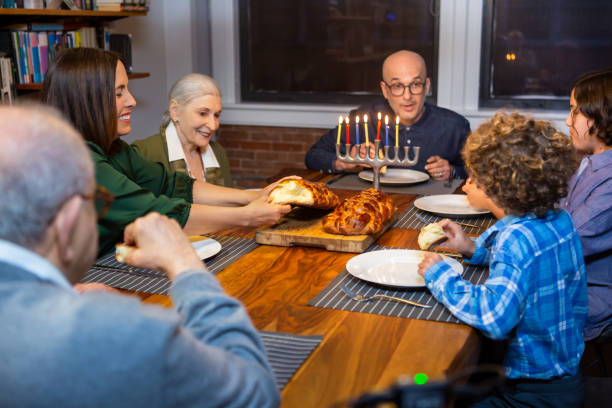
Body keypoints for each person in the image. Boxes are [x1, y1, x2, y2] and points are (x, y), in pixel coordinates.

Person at [0, 105, 280, 407]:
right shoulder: (121, 331)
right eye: (97, 201)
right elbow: (255, 394)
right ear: (68, 220)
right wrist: (186, 266)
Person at [41, 48, 293, 257]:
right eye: (119, 93)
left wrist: (251, 196)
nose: (132, 100)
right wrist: (246, 217)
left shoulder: (115, 148)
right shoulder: (78, 164)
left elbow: (172, 185)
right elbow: (156, 212)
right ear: (87, 99)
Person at [418, 112, 587, 407]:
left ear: (496, 186)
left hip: (531, 393)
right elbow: (526, 268)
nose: (470, 181)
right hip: (563, 378)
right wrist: (470, 248)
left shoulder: (515, 239)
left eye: (477, 175)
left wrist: (441, 276)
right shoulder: (559, 219)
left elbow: (495, 318)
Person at [305, 50, 471, 181]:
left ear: (427, 86)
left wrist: (452, 171)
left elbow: (477, 175)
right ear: (385, 90)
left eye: (415, 84)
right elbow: (313, 156)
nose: (407, 96)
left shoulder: (454, 126)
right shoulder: (364, 119)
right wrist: (343, 162)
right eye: (398, 85)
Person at [560, 69, 612, 342]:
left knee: (508, 307)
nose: (568, 120)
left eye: (576, 112)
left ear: (601, 116)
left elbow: (564, 242)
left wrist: (497, 204)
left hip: (592, 295)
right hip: (569, 278)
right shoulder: (589, 163)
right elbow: (554, 208)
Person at [132, 73, 233, 187]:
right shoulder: (144, 153)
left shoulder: (218, 152)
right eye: (203, 113)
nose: (213, 126)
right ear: (175, 110)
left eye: (216, 115)